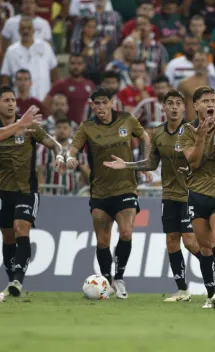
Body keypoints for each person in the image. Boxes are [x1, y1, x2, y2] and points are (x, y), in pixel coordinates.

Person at [103, 89, 201, 302]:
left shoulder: (193, 131)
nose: (174, 107)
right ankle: (183, 290)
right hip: (169, 196)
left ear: (184, 108)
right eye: (170, 103)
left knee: (191, 242)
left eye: (178, 103)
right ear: (163, 108)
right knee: (172, 242)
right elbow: (152, 163)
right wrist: (127, 165)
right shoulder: (157, 133)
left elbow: (199, 161)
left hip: (190, 194)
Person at [66, 87, 151, 299]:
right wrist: (69, 158)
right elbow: (73, 148)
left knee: (126, 232)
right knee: (103, 241)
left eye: (105, 102)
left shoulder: (127, 120)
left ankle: (119, 277)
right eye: (97, 103)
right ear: (92, 106)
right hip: (100, 192)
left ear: (112, 103)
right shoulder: (87, 127)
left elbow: (147, 138)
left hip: (125, 187)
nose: (101, 107)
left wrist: (146, 164)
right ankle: (107, 281)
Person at [0, 86, 65, 297]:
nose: (11, 104)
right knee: (8, 237)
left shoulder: (30, 127)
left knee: (21, 227)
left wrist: (59, 155)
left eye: (13, 100)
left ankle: (18, 280)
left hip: (27, 190)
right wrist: (20, 125)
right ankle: (11, 282)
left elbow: (55, 144)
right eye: (6, 100)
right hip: (4, 191)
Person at [178, 86, 215, 309]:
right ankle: (210, 292)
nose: (211, 104)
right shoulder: (187, 131)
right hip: (197, 195)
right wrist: (202, 136)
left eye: (213, 100)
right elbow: (193, 162)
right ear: (195, 106)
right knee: (204, 247)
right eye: (205, 101)